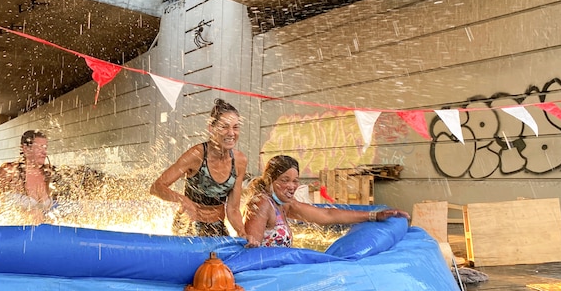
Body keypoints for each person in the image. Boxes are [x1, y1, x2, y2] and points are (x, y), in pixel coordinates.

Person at [243, 155, 410, 247]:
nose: (291, 186)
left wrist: (374, 215)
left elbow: (327, 215)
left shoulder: (284, 205)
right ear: (270, 180)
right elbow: (252, 251)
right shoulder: (261, 204)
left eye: (295, 180)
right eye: (285, 180)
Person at [150, 99, 249, 238]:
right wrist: (182, 200)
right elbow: (156, 187)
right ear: (211, 128)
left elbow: (232, 209)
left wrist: (242, 232)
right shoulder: (196, 155)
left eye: (236, 127)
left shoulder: (240, 161)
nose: (231, 133)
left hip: (217, 227)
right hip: (188, 226)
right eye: (224, 127)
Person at [0, 130, 55, 222]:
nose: (44, 152)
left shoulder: (46, 175)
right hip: (12, 233)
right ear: (26, 149)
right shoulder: (8, 171)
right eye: (39, 147)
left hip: (41, 234)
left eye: (45, 147)